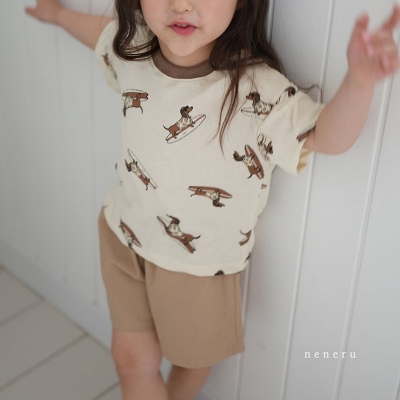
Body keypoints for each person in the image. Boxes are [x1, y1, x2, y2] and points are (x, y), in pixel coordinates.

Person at [25, 0, 400, 399]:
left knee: (191, 363)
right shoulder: (132, 48)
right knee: (130, 360)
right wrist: (58, 15)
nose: (181, 5)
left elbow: (326, 136)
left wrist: (359, 82)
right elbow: (99, 35)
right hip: (125, 235)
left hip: (197, 266)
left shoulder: (256, 89)